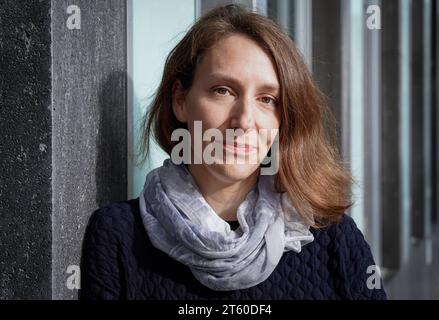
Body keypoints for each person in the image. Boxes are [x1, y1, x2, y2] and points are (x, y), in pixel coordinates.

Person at [79, 4, 387, 300]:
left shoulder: (333, 239)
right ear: (180, 101)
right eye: (223, 91)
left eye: (267, 99)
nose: (244, 120)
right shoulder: (118, 236)